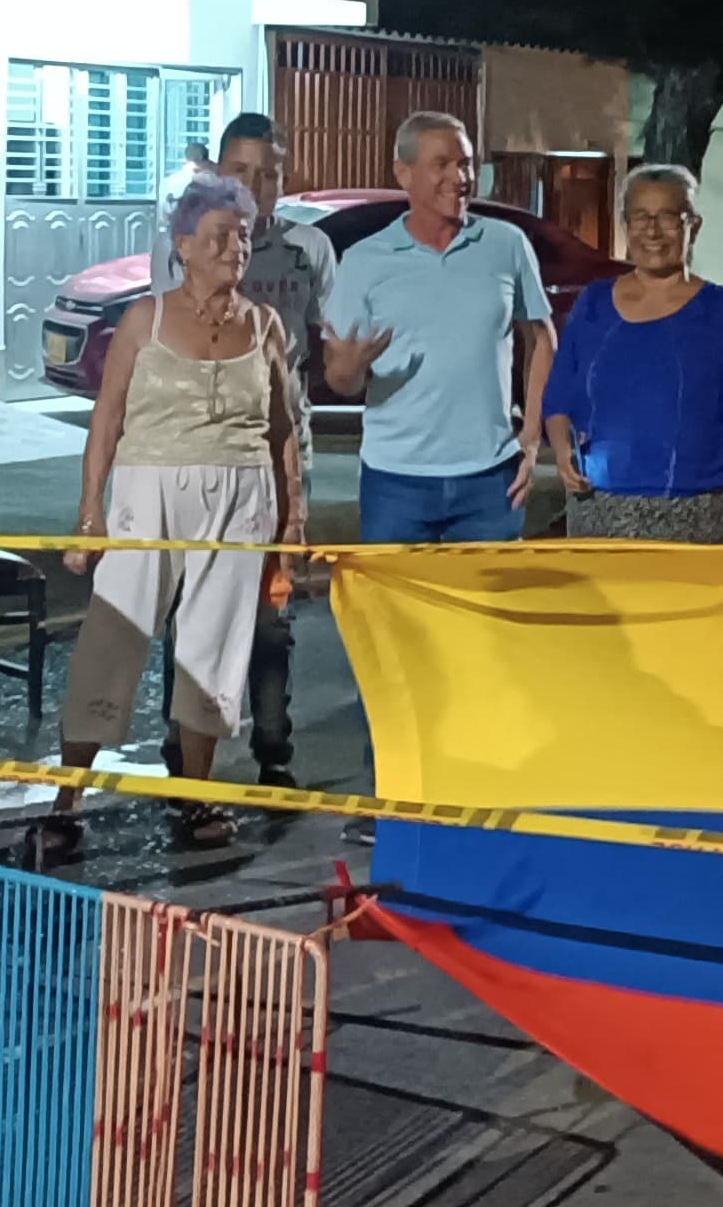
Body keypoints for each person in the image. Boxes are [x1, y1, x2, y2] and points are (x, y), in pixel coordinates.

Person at [46, 172, 305, 861]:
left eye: (243, 236)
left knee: (213, 649)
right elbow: (106, 418)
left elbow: (284, 425)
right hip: (148, 492)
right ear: (183, 244)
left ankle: (195, 796)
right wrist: (90, 508)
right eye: (219, 236)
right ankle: (66, 798)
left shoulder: (265, 326)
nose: (234, 248)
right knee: (115, 634)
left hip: (241, 497)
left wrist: (293, 513)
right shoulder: (144, 319)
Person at [173, 112, 335, 777]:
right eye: (240, 171)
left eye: (268, 173)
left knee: (272, 609)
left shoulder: (311, 249)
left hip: (280, 453)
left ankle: (273, 749)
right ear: (217, 172)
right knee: (192, 605)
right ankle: (181, 750)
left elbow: (330, 347)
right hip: (199, 455)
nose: (255, 185)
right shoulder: (187, 243)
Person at [322, 112, 556, 546]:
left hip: (491, 481)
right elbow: (340, 379)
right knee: (396, 612)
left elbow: (541, 337)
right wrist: (350, 369)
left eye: (466, 163)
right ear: (404, 173)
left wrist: (530, 436)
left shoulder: (507, 244)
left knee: (486, 612)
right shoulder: (364, 261)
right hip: (396, 482)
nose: (460, 177)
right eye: (442, 164)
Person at [537, 164, 723, 541]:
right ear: (625, 224)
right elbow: (558, 399)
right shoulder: (593, 305)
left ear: (694, 226)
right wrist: (561, 449)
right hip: (599, 515)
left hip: (701, 517)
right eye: (641, 217)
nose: (652, 231)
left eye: (668, 217)